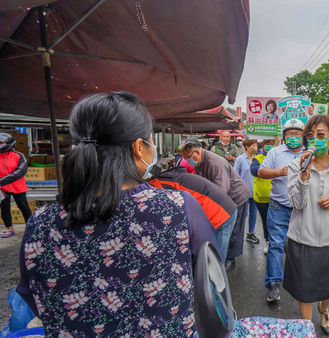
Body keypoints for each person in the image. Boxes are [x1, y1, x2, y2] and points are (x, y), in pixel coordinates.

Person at [16, 92, 217, 336]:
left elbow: (34, 296)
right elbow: (211, 278)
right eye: (150, 141)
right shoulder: (178, 207)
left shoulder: (40, 223)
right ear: (139, 148)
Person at [285, 115, 329, 335]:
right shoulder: (296, 164)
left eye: (321, 135)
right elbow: (296, 202)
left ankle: (324, 310)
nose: (315, 140)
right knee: (304, 290)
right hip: (302, 238)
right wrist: (304, 174)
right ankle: (306, 328)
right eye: (311, 136)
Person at [182, 138, 250, 271]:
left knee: (232, 230)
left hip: (237, 196)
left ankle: (229, 259)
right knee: (222, 230)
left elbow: (221, 191)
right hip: (225, 197)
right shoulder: (199, 162)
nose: (187, 161)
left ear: (197, 152)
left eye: (188, 158)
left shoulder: (215, 162)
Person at [257, 118, 305, 302]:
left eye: (297, 134)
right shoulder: (275, 152)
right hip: (278, 206)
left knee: (299, 245)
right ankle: (273, 284)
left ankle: (299, 280)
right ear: (284, 137)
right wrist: (279, 172)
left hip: (301, 209)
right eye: (290, 134)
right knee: (276, 245)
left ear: (303, 136)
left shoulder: (310, 153)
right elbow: (261, 172)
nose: (294, 137)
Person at [148, 165, 238, 261]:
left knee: (214, 260)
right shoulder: (172, 178)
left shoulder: (157, 185)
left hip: (222, 214)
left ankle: (218, 275)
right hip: (223, 207)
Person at [0, 133, 31, 238]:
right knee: (4, 208)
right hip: (2, 188)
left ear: (9, 143)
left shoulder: (19, 156)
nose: (0, 145)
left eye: (2, 143)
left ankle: (31, 227)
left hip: (18, 186)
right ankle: (9, 228)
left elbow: (20, 171)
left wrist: (2, 181)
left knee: (23, 206)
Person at [234, 139, 260, 244]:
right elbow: (235, 175)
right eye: (253, 145)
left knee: (253, 214)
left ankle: (251, 233)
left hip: (255, 192)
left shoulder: (258, 159)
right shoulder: (240, 159)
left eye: (257, 146)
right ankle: (238, 235)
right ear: (247, 147)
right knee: (242, 215)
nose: (256, 148)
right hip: (243, 193)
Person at [250, 140, 274, 254]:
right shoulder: (258, 158)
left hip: (278, 197)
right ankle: (268, 241)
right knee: (266, 221)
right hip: (262, 198)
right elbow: (254, 170)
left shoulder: (279, 156)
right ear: (263, 146)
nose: (270, 146)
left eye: (273, 144)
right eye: (268, 144)